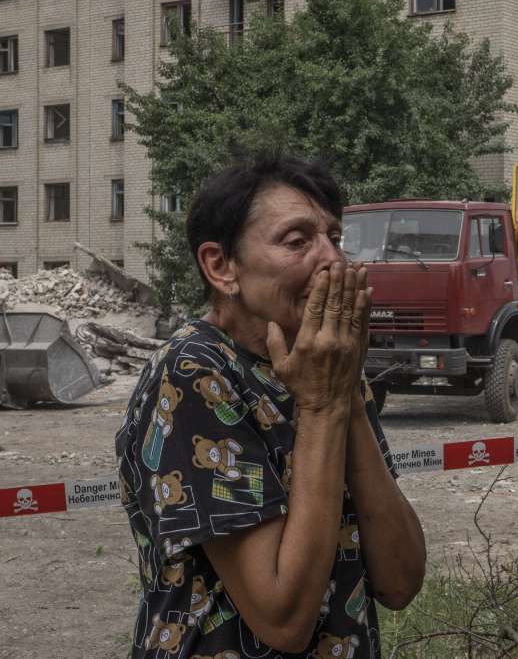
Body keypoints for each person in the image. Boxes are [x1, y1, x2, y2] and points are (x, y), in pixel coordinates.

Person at [115, 154, 427, 658]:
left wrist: (344, 392)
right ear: (221, 266)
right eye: (298, 241)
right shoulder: (196, 371)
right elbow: (282, 620)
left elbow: (400, 582)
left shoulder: (329, 366)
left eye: (334, 238)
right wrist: (324, 408)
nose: (333, 261)